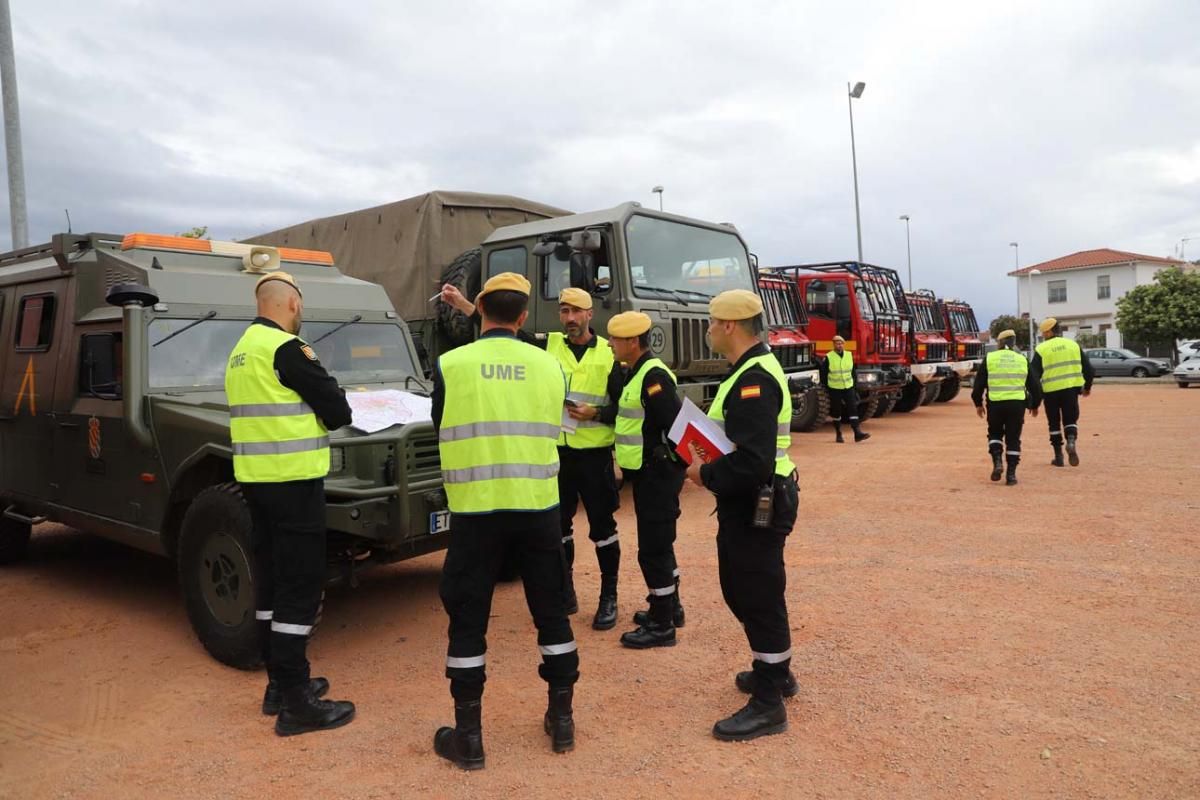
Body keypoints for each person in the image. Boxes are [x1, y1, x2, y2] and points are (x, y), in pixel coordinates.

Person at [431, 272, 579, 769]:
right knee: (551, 612)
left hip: (475, 511)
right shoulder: (549, 366)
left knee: (468, 620)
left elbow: (441, 425)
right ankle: (562, 720)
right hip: (538, 507)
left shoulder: (452, 364)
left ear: (480, 310)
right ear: (521, 317)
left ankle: (469, 737)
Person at [438, 284, 624, 629]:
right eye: (564, 312)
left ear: (589, 314)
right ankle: (564, 593)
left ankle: (608, 597)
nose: (569, 319)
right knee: (560, 528)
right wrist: (464, 304)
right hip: (558, 456)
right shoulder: (549, 346)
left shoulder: (608, 355)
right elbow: (503, 327)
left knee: (603, 529)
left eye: (575, 312)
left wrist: (595, 414)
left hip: (594, 456)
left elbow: (624, 407)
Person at [224, 271, 356, 737]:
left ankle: (279, 685)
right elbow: (338, 410)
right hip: (294, 483)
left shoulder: (240, 351)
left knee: (272, 582)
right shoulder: (287, 349)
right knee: (300, 585)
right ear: (293, 304)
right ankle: (298, 702)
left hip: (256, 483)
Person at [685, 289, 799, 741]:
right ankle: (776, 671)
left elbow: (752, 461)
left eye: (712, 323)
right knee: (750, 589)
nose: (709, 330)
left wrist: (704, 473)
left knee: (755, 593)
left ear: (729, 326)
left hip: (758, 502)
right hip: (755, 501)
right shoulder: (751, 370)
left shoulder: (754, 380)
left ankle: (769, 701)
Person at [607, 311, 687, 649]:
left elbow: (677, 425)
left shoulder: (653, 377)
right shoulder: (635, 373)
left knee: (653, 550)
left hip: (657, 474)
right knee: (659, 546)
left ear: (630, 342)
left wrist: (675, 468)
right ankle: (670, 608)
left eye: (614, 339)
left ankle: (662, 624)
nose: (610, 344)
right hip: (647, 473)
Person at [971, 329, 1041, 485]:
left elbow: (978, 385)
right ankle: (1011, 475)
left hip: (995, 404)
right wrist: (1035, 404)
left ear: (1001, 343)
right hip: (1017, 405)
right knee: (1013, 439)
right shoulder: (1022, 359)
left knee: (995, 434)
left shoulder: (990, 358)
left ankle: (997, 462)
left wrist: (978, 403)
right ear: (1013, 343)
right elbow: (1035, 385)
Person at [1031, 318, 1094, 467]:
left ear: (1049, 331)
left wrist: (1035, 401)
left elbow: (1034, 376)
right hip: (1071, 390)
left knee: (1054, 423)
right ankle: (1071, 441)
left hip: (1050, 392)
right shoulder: (1073, 345)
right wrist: (1087, 387)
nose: (1043, 335)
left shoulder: (1042, 349)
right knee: (1070, 420)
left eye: (1044, 332)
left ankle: (1058, 457)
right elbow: (1089, 369)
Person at [819, 335, 869, 443]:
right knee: (836, 411)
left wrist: (854, 387)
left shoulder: (848, 355)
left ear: (844, 344)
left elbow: (853, 372)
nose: (839, 345)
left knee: (853, 408)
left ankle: (857, 432)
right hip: (834, 388)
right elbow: (823, 375)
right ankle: (838, 433)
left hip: (848, 387)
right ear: (834, 345)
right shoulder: (829, 357)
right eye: (837, 343)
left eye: (841, 343)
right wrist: (827, 388)